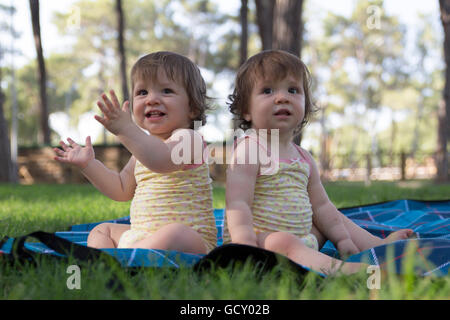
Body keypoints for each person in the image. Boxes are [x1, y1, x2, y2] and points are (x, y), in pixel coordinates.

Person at [225, 50, 413, 275]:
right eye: (268, 90)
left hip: (305, 239)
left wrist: (342, 239)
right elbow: (238, 203)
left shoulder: (303, 157)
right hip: (262, 242)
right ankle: (338, 270)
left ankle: (374, 244)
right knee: (283, 241)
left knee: (331, 217)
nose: (282, 97)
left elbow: (321, 206)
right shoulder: (250, 149)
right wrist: (245, 247)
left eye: (293, 90)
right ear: (246, 110)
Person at [54, 51, 217, 254]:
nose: (151, 99)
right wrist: (89, 165)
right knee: (101, 230)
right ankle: (106, 261)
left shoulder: (189, 139)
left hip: (191, 238)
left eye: (166, 91)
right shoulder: (142, 152)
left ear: (192, 107)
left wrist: (125, 130)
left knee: (176, 233)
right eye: (142, 92)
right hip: (144, 234)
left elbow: (162, 159)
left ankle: (126, 256)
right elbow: (121, 189)